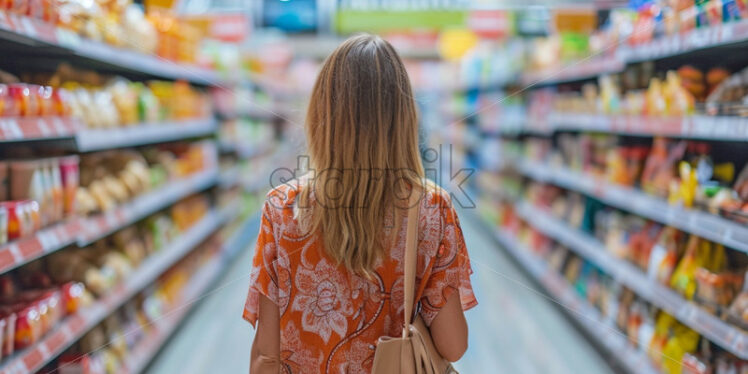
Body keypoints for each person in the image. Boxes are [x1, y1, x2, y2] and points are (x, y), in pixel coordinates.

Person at [242, 34, 477, 374]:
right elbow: (453, 345)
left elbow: (267, 354)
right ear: (405, 118)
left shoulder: (281, 208)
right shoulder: (431, 209)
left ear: (322, 114)